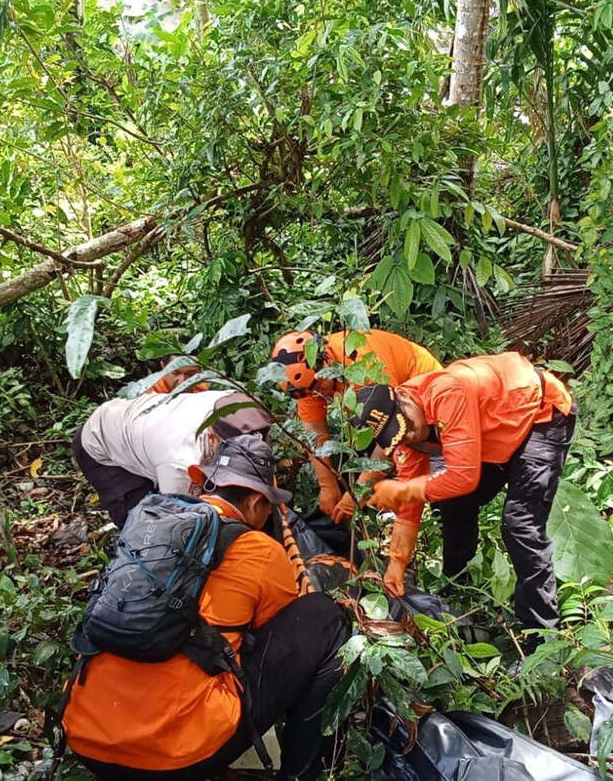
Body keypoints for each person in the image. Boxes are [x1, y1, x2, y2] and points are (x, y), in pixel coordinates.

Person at [62, 435, 350, 780]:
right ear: (258, 501)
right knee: (323, 617)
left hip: (85, 737)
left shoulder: (148, 528)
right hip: (179, 754)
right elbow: (275, 635)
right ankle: (302, 772)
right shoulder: (257, 547)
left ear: (204, 483)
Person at [349, 351, 575, 633]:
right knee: (452, 502)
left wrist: (403, 489)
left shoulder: (447, 393)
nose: (409, 436)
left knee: (520, 524)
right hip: (495, 436)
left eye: (406, 427)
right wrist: (396, 564)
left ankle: (543, 632)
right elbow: (411, 506)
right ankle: (458, 584)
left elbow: (463, 476)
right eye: (398, 437)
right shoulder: (406, 438)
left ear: (404, 398)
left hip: (540, 415)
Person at [270, 329, 442, 523]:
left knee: (439, 486)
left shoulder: (361, 364)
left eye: (318, 387)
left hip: (426, 401)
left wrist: (359, 492)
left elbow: (392, 427)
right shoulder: (309, 384)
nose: (319, 394)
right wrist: (327, 485)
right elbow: (315, 431)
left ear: (325, 361)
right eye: (309, 392)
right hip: (390, 416)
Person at [72, 390, 274, 527]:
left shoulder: (240, 408)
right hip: (102, 443)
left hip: (148, 430)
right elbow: (175, 524)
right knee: (143, 523)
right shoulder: (181, 461)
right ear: (212, 439)